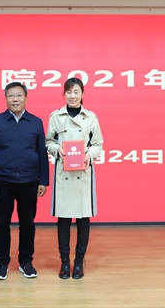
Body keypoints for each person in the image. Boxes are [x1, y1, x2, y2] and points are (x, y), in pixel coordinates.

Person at [0, 82, 49, 280]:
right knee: (1, 223)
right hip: (2, 180)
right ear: (6, 99)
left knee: (27, 223)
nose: (15, 99)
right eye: (11, 96)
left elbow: (42, 154)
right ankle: (2, 263)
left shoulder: (36, 122)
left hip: (29, 180)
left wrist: (43, 180)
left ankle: (26, 262)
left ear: (26, 98)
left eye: (19, 95)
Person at [45, 77, 104, 279]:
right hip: (64, 174)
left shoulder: (91, 118)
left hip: (83, 175)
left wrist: (89, 154)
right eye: (69, 92)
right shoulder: (56, 116)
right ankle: (64, 261)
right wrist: (57, 150)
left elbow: (98, 144)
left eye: (76, 92)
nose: (73, 96)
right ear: (64, 94)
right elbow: (48, 141)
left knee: (83, 218)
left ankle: (79, 261)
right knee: (63, 219)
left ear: (82, 94)